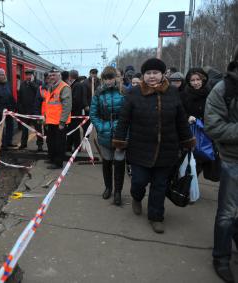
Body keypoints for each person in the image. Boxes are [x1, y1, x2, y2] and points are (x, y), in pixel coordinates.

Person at [113, 58, 195, 233]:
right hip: (139, 148)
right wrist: (119, 141)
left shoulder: (173, 93)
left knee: (160, 185)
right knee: (139, 181)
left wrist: (187, 140)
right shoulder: (134, 93)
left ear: (162, 74)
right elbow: (124, 120)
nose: (152, 76)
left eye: (155, 73)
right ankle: (137, 197)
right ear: (143, 75)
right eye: (148, 73)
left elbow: (181, 120)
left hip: (167, 149)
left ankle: (156, 216)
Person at [204, 45, 238, 283]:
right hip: (233, 160)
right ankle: (221, 257)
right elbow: (213, 126)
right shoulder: (223, 89)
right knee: (228, 212)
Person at [90, 66, 126, 205]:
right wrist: (101, 127)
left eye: (111, 78)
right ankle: (108, 188)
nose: (109, 81)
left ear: (116, 78)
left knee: (119, 163)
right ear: (102, 79)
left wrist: (122, 129)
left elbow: (128, 113)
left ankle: (118, 192)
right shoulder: (98, 94)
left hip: (120, 134)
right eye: (106, 78)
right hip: (104, 133)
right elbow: (93, 114)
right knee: (106, 162)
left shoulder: (124, 92)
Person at [181, 68, 211, 175]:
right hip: (187, 132)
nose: (196, 83)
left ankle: (190, 187)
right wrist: (187, 117)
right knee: (185, 161)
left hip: (205, 133)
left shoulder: (210, 93)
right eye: (192, 80)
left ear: (203, 79)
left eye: (198, 79)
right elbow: (180, 111)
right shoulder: (184, 94)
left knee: (199, 162)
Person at [45, 68, 72, 169]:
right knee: (50, 141)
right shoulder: (51, 87)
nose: (51, 77)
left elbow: (67, 106)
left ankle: (58, 163)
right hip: (51, 120)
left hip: (59, 122)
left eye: (54, 75)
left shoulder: (64, 87)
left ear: (59, 76)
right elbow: (49, 105)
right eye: (50, 75)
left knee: (59, 143)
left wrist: (62, 122)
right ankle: (52, 158)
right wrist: (45, 118)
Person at [18, 69, 43, 150]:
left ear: (33, 75)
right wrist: (20, 108)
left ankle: (40, 145)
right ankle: (23, 144)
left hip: (36, 111)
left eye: (30, 75)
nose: (28, 76)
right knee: (24, 128)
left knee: (38, 128)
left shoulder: (39, 83)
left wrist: (32, 83)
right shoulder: (23, 84)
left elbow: (39, 92)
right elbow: (20, 97)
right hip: (26, 111)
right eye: (27, 75)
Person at [67, 70, 87, 152]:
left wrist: (70, 108)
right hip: (74, 112)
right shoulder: (76, 84)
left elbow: (76, 100)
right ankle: (69, 146)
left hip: (75, 112)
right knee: (72, 130)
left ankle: (76, 148)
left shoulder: (77, 85)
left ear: (70, 76)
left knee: (75, 131)